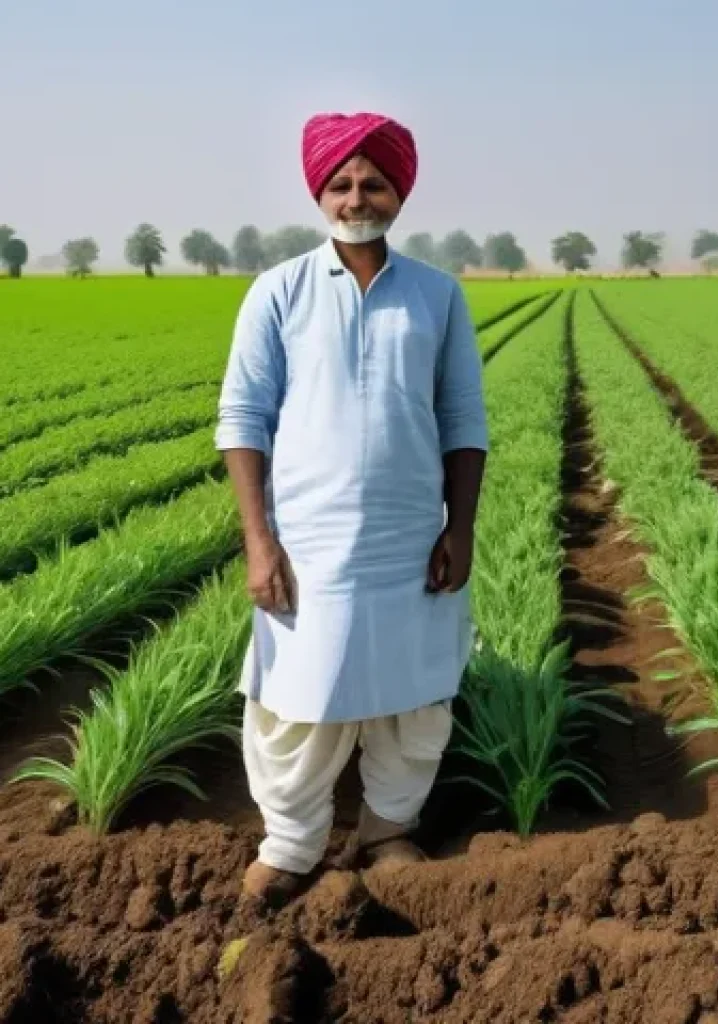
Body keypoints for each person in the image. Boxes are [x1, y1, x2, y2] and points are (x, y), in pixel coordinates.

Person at [214, 110, 489, 903]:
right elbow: (242, 418)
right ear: (320, 193)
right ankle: (291, 844)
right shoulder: (280, 291)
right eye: (340, 184)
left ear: (399, 193)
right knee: (301, 695)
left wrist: (459, 527)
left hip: (410, 534)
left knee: (415, 693)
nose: (356, 198)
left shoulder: (436, 295)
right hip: (310, 536)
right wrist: (259, 541)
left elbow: (463, 419)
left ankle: (387, 829)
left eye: (373, 183)